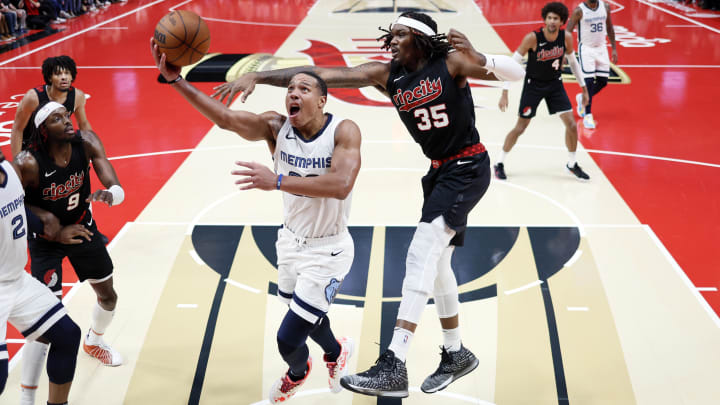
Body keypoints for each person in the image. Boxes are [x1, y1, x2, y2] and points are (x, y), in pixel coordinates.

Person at [213, 12, 525, 398]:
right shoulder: (386, 74)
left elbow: (516, 73)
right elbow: (320, 73)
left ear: (421, 38)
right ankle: (456, 352)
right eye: (389, 34)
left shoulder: (452, 63)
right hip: (441, 172)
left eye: (400, 34)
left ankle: (395, 362)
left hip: (467, 165)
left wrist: (483, 57)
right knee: (439, 264)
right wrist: (260, 77)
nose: (391, 40)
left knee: (420, 255)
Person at [151, 38, 362, 404]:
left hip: (329, 249)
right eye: (291, 88)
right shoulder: (275, 127)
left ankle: (299, 372)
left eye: (304, 88)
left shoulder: (343, 131)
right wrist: (176, 80)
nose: (294, 93)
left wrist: (277, 180)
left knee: (288, 337)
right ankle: (336, 351)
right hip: (291, 243)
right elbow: (227, 119)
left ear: (322, 100)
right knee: (304, 314)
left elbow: (341, 186)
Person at [14, 101, 125, 405]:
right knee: (47, 324)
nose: (66, 121)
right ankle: (28, 398)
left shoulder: (86, 142)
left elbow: (116, 186)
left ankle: (95, 341)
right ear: (42, 131)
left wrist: (110, 194)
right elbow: (13, 206)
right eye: (56, 119)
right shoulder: (28, 162)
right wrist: (49, 225)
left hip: (81, 228)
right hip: (45, 241)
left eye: (66, 115)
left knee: (109, 296)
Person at [1, 147, 82, 405]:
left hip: (17, 280)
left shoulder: (10, 172)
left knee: (67, 335)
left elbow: (18, 211)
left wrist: (51, 228)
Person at [495, 2, 591, 181]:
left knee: (571, 124)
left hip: (555, 84)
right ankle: (499, 162)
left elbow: (574, 63)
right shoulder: (532, 38)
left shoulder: (566, 37)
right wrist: (505, 91)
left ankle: (571, 164)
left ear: (562, 20)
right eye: (549, 18)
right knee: (520, 127)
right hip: (534, 85)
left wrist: (584, 88)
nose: (552, 21)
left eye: (556, 18)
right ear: (544, 19)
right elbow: (512, 63)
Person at [11, 56, 90, 159]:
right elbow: (18, 129)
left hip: (56, 143)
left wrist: (91, 148)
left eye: (67, 73)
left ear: (72, 76)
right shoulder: (33, 98)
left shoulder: (77, 96)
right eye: (58, 74)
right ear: (49, 78)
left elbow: (83, 124)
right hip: (33, 144)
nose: (63, 77)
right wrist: (17, 161)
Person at [566, 0, 618, 129]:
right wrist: (564, 53)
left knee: (602, 81)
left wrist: (614, 48)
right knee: (588, 82)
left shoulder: (605, 7)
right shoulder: (579, 11)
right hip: (586, 49)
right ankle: (588, 115)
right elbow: (567, 32)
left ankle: (581, 98)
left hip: (601, 48)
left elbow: (610, 27)